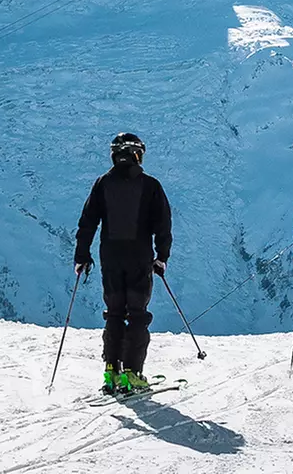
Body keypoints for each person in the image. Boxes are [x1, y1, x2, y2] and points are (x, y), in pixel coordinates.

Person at [74, 132, 173, 394]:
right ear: (136, 155)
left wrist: (82, 255)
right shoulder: (150, 186)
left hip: (110, 259)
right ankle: (132, 373)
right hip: (139, 259)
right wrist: (162, 257)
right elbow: (163, 224)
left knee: (115, 313)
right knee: (137, 314)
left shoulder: (102, 184)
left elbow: (87, 222)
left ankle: (112, 371)